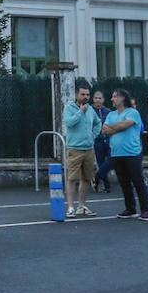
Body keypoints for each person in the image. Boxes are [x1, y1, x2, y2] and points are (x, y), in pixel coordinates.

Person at [101, 89, 148, 220]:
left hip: (132, 153)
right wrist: (117, 126)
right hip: (117, 153)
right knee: (124, 183)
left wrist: (114, 127)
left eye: (115, 96)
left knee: (138, 181)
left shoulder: (133, 112)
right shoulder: (111, 114)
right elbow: (104, 129)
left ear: (123, 98)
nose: (112, 99)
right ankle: (130, 208)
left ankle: (145, 210)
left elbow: (125, 124)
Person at [62, 84, 101, 218]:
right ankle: (71, 207)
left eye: (87, 95)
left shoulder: (90, 109)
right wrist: (80, 112)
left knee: (86, 178)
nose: (86, 97)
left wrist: (93, 135)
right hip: (74, 148)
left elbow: (98, 122)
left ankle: (81, 206)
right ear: (76, 95)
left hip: (89, 149)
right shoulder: (69, 108)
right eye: (83, 94)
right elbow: (69, 123)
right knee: (72, 178)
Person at [91, 90, 113, 193]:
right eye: (96, 98)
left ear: (103, 100)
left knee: (110, 161)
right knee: (100, 162)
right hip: (97, 140)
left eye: (100, 98)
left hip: (108, 139)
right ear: (93, 99)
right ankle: (107, 185)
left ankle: (97, 177)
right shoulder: (90, 110)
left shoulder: (108, 111)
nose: (98, 100)